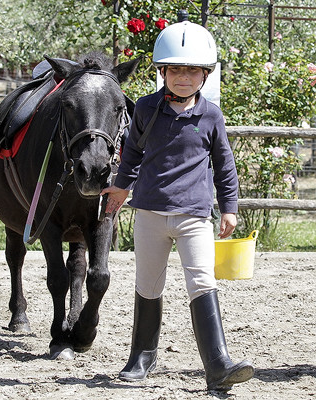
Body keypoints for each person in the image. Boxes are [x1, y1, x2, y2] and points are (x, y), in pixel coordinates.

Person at [100, 19, 254, 391]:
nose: (183, 77)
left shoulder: (211, 115)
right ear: (163, 72)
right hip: (151, 211)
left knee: (201, 280)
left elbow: (225, 163)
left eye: (192, 70)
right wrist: (121, 188)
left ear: (205, 74)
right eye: (175, 69)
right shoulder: (147, 109)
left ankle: (217, 364)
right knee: (148, 284)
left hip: (194, 215)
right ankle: (142, 356)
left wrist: (229, 207)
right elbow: (133, 152)